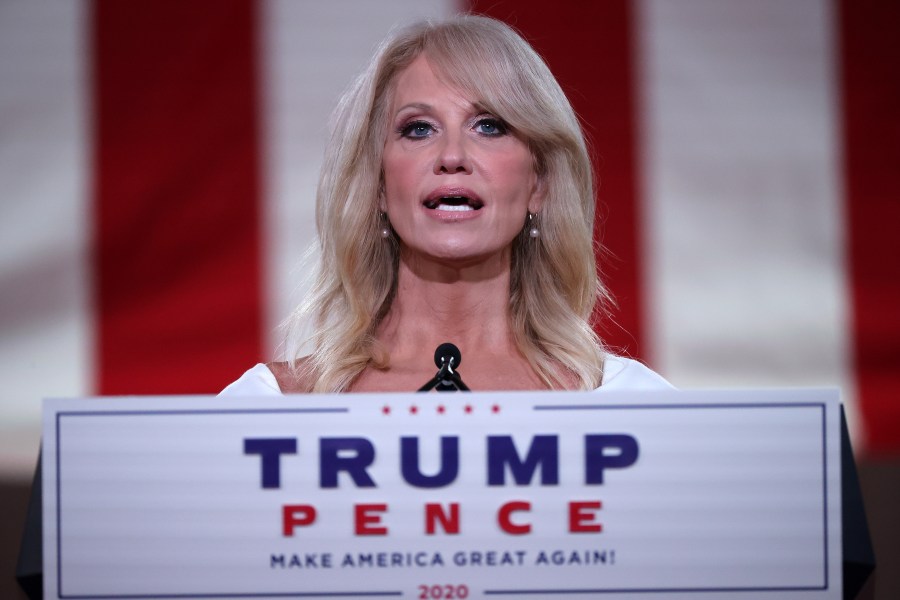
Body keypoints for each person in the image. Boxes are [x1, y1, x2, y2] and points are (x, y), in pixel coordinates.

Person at [221, 15, 670, 396]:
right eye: (418, 129)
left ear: (539, 183)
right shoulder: (269, 407)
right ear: (377, 185)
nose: (452, 157)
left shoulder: (630, 403)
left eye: (489, 126)